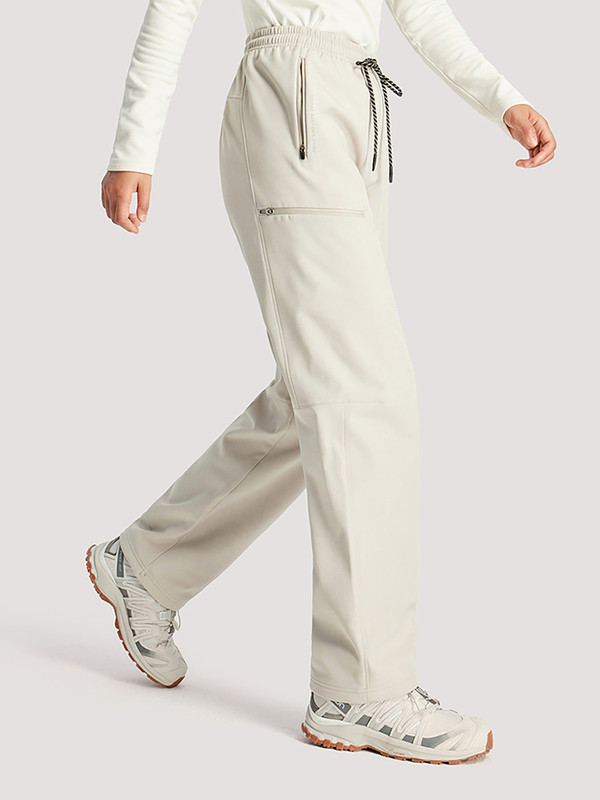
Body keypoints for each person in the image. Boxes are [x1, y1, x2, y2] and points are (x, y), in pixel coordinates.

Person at [89, 0, 556, 764]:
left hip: (355, 105)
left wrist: (501, 98)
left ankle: (145, 565)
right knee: (360, 393)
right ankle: (360, 688)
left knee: (323, 387)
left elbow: (419, 11)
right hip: (292, 95)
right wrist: (133, 147)